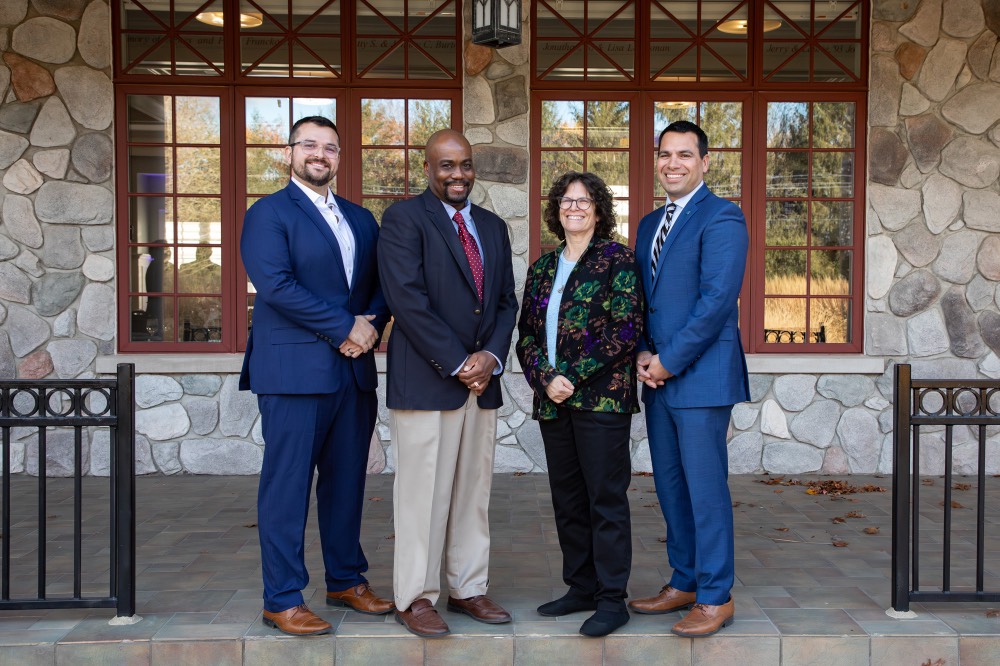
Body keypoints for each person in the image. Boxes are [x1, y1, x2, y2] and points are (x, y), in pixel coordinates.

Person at [239, 115, 393, 636]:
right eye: (309, 144)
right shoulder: (268, 213)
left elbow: (379, 285)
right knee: (286, 486)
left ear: (340, 157)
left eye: (330, 146)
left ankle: (346, 580)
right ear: (289, 153)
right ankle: (281, 598)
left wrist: (368, 325)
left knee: (347, 483)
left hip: (352, 372)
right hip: (293, 373)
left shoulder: (361, 219)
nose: (319, 154)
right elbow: (275, 285)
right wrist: (345, 327)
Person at [378, 129, 518, 638]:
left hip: (482, 385)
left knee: (472, 493)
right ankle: (414, 596)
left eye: (464, 164)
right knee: (421, 497)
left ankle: (467, 587)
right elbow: (406, 300)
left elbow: (505, 301)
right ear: (428, 168)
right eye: (446, 166)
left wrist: (490, 357)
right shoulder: (403, 219)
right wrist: (460, 362)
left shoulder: (493, 227)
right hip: (429, 380)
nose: (457, 174)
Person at [628, 120, 750, 637]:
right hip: (657, 376)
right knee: (672, 487)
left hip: (699, 377)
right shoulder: (648, 223)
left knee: (704, 489)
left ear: (705, 162)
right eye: (665, 154)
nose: (672, 164)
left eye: (684, 155)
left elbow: (715, 303)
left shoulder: (723, 217)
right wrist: (640, 352)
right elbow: (642, 301)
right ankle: (684, 580)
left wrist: (668, 360)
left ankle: (716, 595)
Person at [515, 171, 643, 637]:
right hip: (553, 401)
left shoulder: (617, 260)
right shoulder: (544, 267)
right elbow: (526, 334)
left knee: (604, 500)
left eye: (584, 201)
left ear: (599, 209)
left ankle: (612, 600)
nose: (574, 207)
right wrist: (545, 378)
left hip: (601, 401)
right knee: (567, 500)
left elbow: (625, 330)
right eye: (567, 200)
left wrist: (572, 375)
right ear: (557, 209)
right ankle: (581, 588)